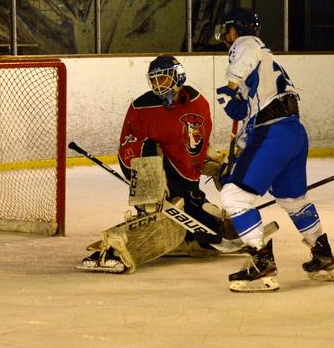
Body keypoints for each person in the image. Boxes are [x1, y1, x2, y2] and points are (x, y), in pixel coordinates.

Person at [212, 7, 334, 292]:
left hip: (273, 133)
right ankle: (322, 255)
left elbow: (247, 49)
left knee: (234, 196)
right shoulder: (265, 69)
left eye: (228, 31)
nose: (227, 39)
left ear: (235, 30)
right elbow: (249, 117)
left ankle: (261, 264)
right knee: (293, 200)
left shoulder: (247, 43)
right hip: (292, 132)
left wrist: (230, 86)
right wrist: (238, 158)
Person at [78, 55, 226, 273]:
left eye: (163, 79)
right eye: (154, 80)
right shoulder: (142, 107)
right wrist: (150, 182)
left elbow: (191, 144)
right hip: (157, 177)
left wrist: (215, 164)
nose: (158, 85)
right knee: (154, 210)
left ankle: (185, 240)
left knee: (213, 235)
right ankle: (118, 247)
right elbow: (128, 148)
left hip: (185, 182)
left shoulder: (198, 104)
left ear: (178, 77)